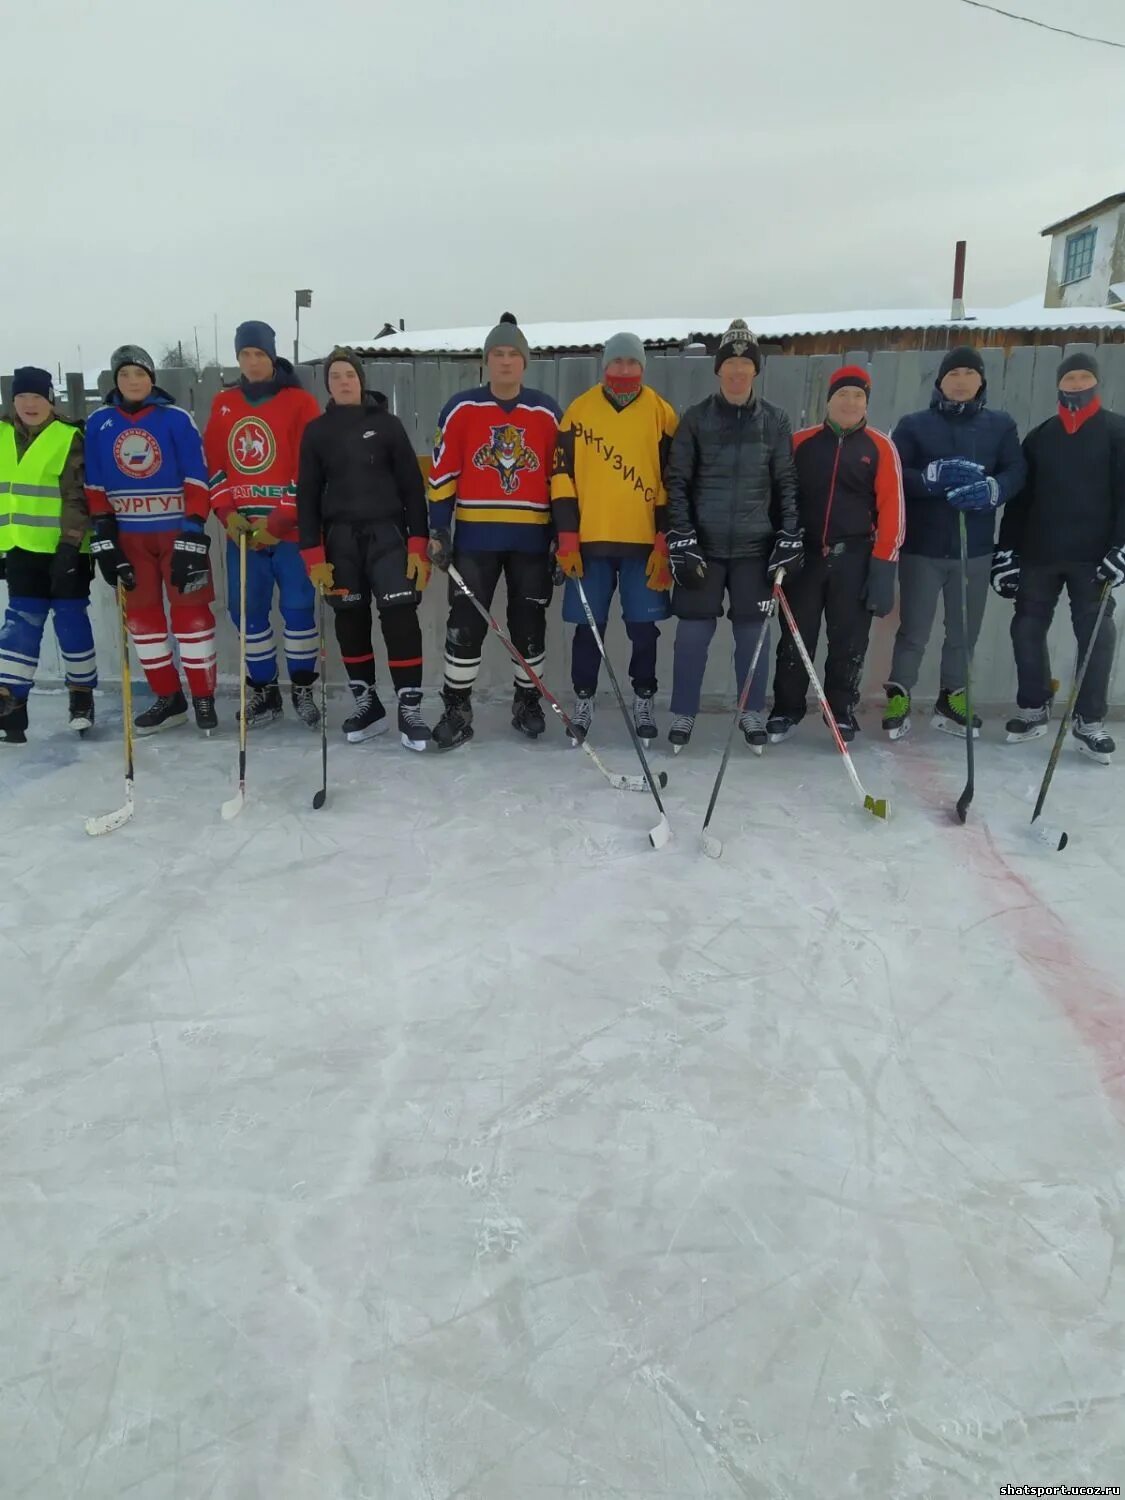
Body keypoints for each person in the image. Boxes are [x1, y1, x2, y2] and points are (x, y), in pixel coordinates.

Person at [663, 318, 802, 753]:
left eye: (746, 363)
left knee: (752, 637)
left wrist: (789, 535)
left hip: (754, 550)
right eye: (731, 363)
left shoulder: (776, 421)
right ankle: (684, 711)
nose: (738, 370)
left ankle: (751, 711)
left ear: (756, 370)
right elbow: (678, 481)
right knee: (692, 635)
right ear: (719, 369)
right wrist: (681, 536)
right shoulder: (695, 418)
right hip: (702, 548)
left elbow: (786, 483)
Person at [426, 313, 562, 749]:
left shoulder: (546, 412)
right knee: (465, 624)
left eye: (513, 354)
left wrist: (563, 536)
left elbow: (561, 481)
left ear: (525, 362)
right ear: (486, 361)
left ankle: (527, 702)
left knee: (529, 625)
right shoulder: (462, 408)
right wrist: (438, 529)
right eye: (497, 354)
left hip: (531, 541)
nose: (505, 362)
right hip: (475, 540)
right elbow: (443, 474)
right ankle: (457, 705)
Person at [883, 345, 1025, 739]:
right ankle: (900, 694)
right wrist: (929, 478)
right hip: (922, 549)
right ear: (940, 382)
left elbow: (1017, 470)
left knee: (964, 631)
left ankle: (953, 697)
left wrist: (994, 489)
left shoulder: (1000, 425)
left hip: (973, 549)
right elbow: (896, 475)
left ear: (981, 381)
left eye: (969, 373)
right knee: (914, 629)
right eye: (953, 374)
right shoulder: (914, 425)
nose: (960, 381)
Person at [297, 350, 432, 750]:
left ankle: (409, 709)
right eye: (335, 376)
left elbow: (412, 488)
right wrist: (313, 555)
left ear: (361, 380)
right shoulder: (316, 432)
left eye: (349, 375)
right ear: (328, 385)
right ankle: (367, 705)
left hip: (388, 537)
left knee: (400, 620)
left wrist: (417, 545)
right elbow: (306, 497)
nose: (343, 381)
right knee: (350, 621)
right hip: (340, 542)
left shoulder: (387, 426)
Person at [994, 351, 1125, 763]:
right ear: (1059, 384)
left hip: (1094, 559)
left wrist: (1122, 548)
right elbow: (1020, 501)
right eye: (1070, 378)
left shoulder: (1116, 432)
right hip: (1039, 554)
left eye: (1085, 376)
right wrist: (1006, 552)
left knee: (1097, 637)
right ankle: (1033, 708)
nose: (1076, 384)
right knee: (1026, 628)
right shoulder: (1041, 436)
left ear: (1096, 382)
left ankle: (1089, 721)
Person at [549, 332, 678, 742]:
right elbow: (562, 477)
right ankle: (583, 700)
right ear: (604, 365)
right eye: (617, 362)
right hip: (590, 544)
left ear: (643, 366)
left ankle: (644, 699)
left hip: (644, 546)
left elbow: (674, 480)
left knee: (644, 630)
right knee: (589, 628)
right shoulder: (579, 411)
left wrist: (664, 537)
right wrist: (567, 535)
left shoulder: (661, 413)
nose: (624, 370)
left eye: (632, 362)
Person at [83, 345, 217, 734]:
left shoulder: (175, 419)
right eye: (125, 375)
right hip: (131, 538)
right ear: (116, 380)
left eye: (139, 374)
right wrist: (104, 534)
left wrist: (193, 530)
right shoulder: (99, 422)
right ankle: (169, 699)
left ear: (151, 378)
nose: (133, 381)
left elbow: (197, 476)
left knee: (191, 617)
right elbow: (94, 485)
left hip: (176, 533)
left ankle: (204, 698)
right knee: (144, 621)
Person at [767, 366, 904, 743]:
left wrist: (882, 568)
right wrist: (777, 546)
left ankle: (839, 711)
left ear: (866, 403)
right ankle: (786, 709)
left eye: (858, 396)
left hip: (855, 557)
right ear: (828, 400)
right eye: (842, 394)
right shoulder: (800, 443)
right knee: (796, 637)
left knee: (849, 640)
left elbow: (893, 509)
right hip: (804, 557)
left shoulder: (879, 447)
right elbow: (777, 499)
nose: (850, 402)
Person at [204, 320, 322, 729]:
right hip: (244, 535)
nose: (252, 362)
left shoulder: (300, 402)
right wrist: (228, 514)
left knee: (298, 610)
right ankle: (265, 691)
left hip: (289, 534)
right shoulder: (224, 403)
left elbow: (309, 470)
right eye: (245, 355)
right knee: (247, 613)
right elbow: (214, 466)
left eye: (259, 354)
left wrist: (281, 520)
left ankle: (303, 688)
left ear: (272, 357)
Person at [0, 367, 95, 745]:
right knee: (20, 625)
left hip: (65, 550)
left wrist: (70, 545)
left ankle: (81, 698)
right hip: (21, 549)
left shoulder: (68, 436)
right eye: (23, 397)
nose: (29, 404)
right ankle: (11, 703)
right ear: (13, 401)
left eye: (37, 397)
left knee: (71, 622)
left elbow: (77, 496)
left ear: (50, 401)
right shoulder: (2, 435)